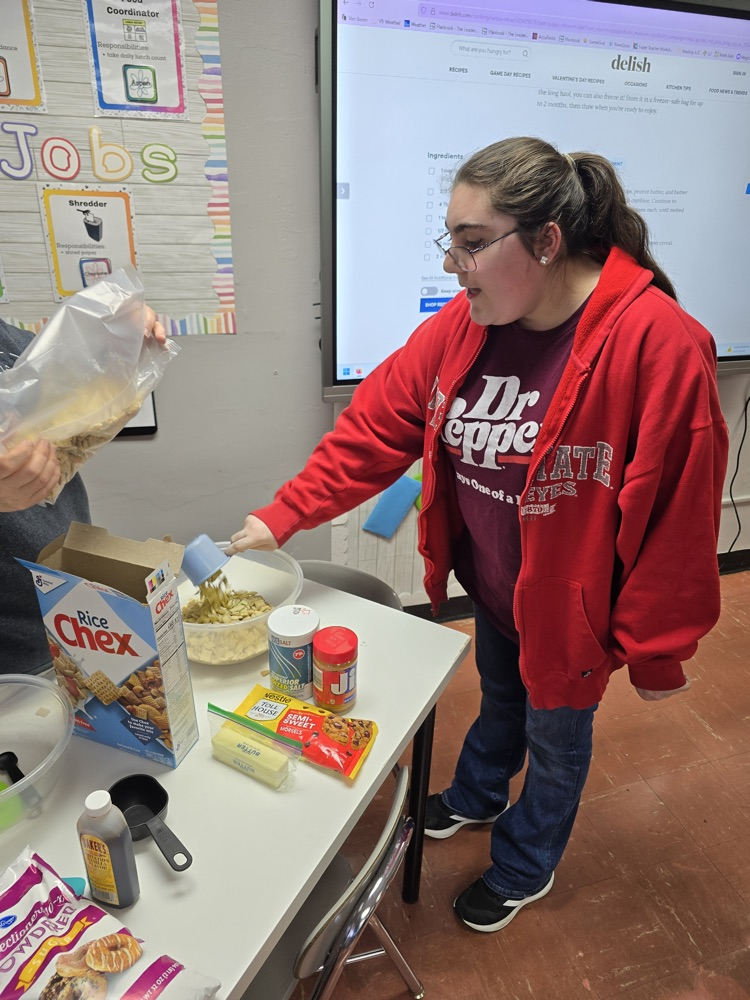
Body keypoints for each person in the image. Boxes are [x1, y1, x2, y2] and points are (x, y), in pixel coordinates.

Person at [226, 136, 729, 933]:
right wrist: (281, 515)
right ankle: (477, 794)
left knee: (557, 740)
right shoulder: (467, 326)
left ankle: (526, 863)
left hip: (574, 615)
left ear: (547, 240)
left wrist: (649, 644)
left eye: (471, 242)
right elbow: (375, 427)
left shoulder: (658, 344)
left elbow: (679, 515)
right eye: (449, 240)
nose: (453, 265)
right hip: (494, 585)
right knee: (499, 697)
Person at [0, 309, 166, 676]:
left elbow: (71, 417)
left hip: (69, 620)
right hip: (9, 662)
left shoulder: (12, 343)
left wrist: (114, 348)